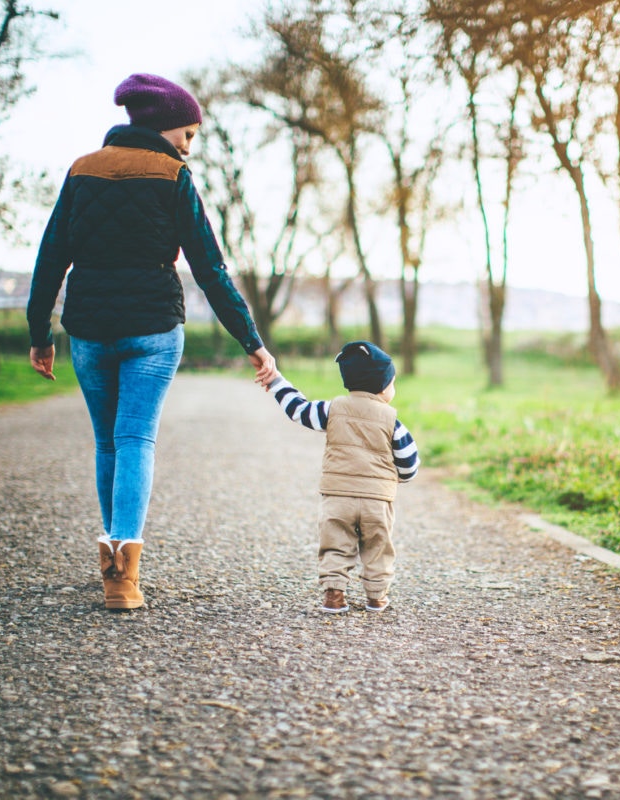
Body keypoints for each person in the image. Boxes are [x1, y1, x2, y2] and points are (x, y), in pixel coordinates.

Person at [27, 73, 277, 611]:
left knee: (108, 442)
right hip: (154, 328)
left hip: (89, 328)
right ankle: (122, 576)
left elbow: (51, 256)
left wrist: (38, 333)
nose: (189, 145)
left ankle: (112, 560)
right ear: (164, 127)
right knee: (136, 438)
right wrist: (252, 342)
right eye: (187, 133)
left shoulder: (82, 169)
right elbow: (210, 269)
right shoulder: (172, 174)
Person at [264, 341, 419, 613]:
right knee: (378, 548)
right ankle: (376, 596)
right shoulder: (392, 420)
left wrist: (276, 381)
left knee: (335, 545)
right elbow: (408, 461)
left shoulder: (332, 409)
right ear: (384, 387)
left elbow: (298, 410)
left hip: (337, 496)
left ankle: (334, 595)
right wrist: (400, 478)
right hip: (377, 501)